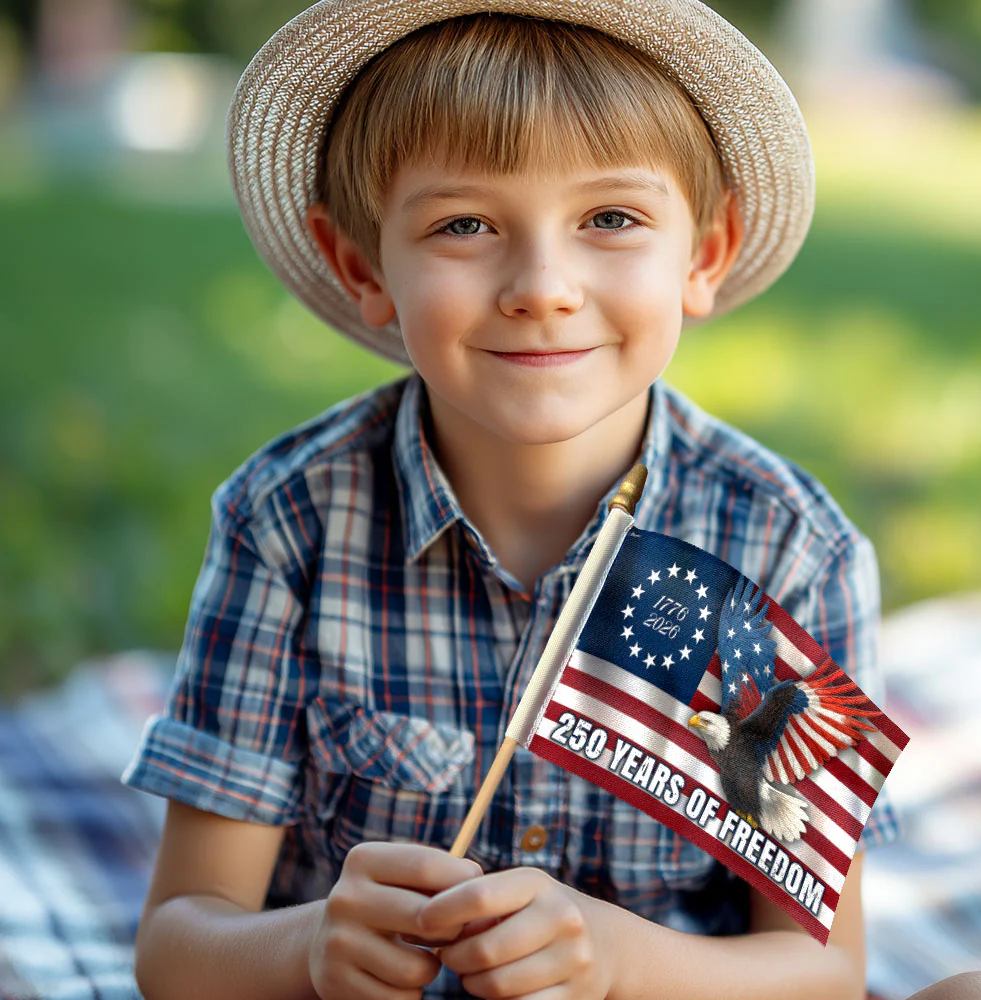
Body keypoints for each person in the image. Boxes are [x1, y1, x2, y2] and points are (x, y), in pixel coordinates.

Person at [119, 2, 931, 998]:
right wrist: (305, 948)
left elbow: (822, 971)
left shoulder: (787, 549)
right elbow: (177, 946)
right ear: (362, 266)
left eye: (611, 219)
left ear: (705, 254)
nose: (542, 285)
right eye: (464, 224)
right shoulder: (288, 522)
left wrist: (618, 956)